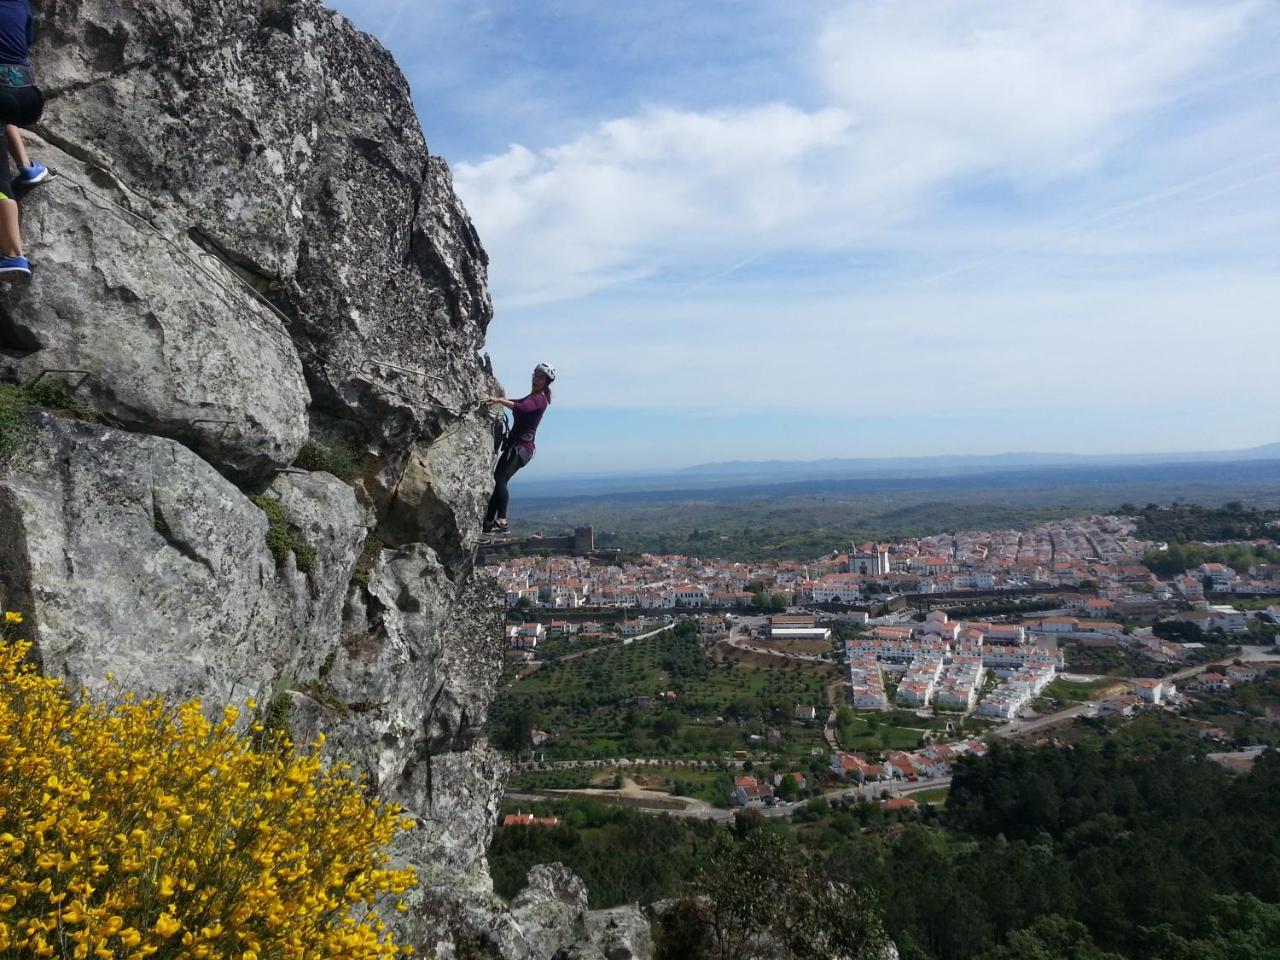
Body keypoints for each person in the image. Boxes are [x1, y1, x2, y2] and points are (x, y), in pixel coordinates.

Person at [483, 362, 555, 535]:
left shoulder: (539, 399)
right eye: (536, 375)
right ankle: (488, 522)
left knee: (500, 480)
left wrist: (499, 400)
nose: (536, 379)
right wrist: (498, 399)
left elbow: (522, 408)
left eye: (541, 377)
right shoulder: (533, 396)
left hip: (521, 448)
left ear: (546, 382)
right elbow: (519, 402)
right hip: (516, 447)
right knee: (497, 481)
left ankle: (502, 520)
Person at [0, 0, 44, 282]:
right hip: (27, 95)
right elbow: (28, 38)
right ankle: (28, 166)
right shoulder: (22, 5)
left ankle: (13, 254)